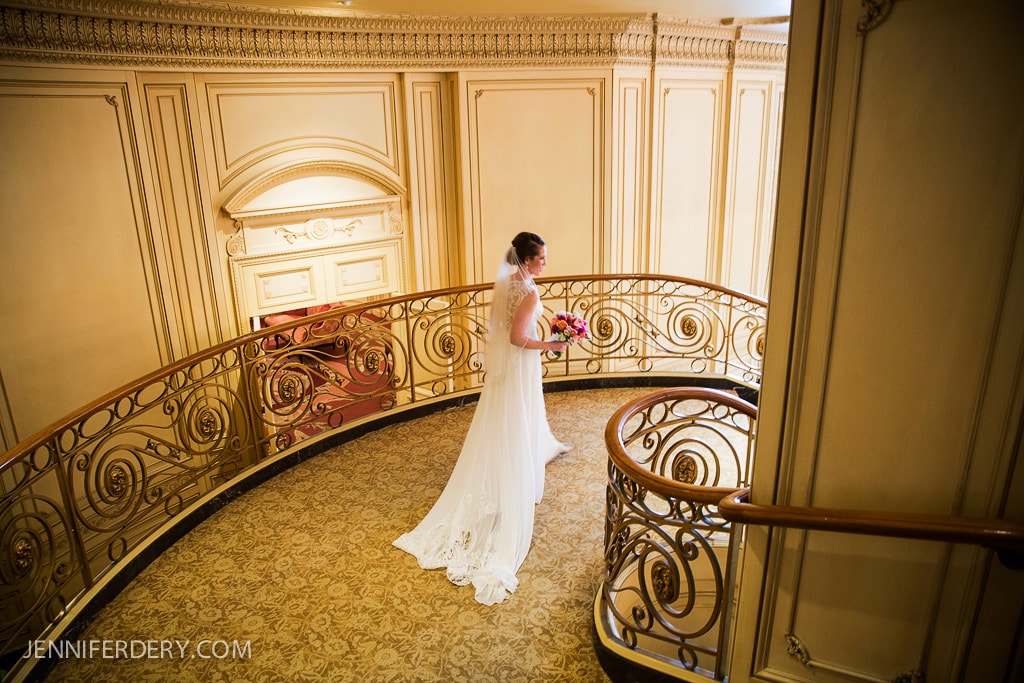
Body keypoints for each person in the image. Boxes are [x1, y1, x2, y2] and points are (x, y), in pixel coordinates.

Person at [393, 231, 570, 605]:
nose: (545, 263)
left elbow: (500, 328)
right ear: (525, 259)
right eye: (541, 258)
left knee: (506, 424)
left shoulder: (508, 285)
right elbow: (517, 339)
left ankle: (508, 471)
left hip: (507, 374)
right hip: (520, 365)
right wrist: (552, 344)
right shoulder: (529, 291)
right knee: (515, 421)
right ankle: (512, 482)